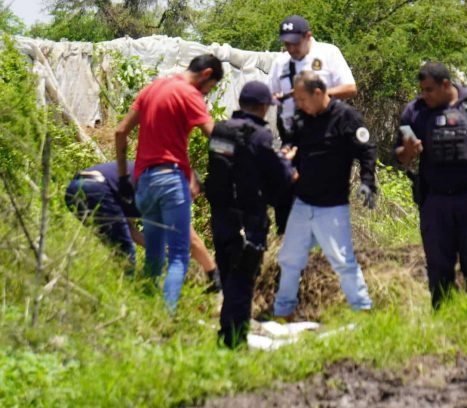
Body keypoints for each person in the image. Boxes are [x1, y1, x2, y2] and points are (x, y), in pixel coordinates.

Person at [114, 54, 222, 312]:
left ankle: (146, 313)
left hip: (144, 182)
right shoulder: (189, 94)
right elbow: (215, 137)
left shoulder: (152, 88)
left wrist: (122, 178)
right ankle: (166, 315)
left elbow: (120, 132)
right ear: (206, 74)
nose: (206, 95)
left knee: (153, 254)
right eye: (211, 88)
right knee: (178, 256)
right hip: (170, 180)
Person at [394, 62, 467, 309]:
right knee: (438, 264)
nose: (425, 95)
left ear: (446, 85)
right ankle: (443, 318)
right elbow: (399, 155)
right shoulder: (415, 112)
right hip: (435, 200)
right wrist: (408, 151)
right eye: (422, 90)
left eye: (429, 90)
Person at [272, 71, 375, 319]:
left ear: (318, 93)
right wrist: (287, 155)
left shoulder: (346, 117)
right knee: (289, 258)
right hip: (303, 202)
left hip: (332, 205)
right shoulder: (302, 118)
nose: (298, 104)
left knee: (342, 260)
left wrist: (368, 182)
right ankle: (283, 310)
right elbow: (291, 144)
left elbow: (367, 150)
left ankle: (362, 310)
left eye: (302, 99)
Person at [206, 80, 295, 348]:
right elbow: (277, 174)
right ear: (262, 106)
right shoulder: (259, 135)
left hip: (221, 217)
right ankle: (235, 341)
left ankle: (226, 333)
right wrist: (287, 164)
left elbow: (231, 165)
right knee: (242, 281)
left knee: (228, 275)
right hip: (248, 220)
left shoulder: (220, 130)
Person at [65, 161, 222, 290]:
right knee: (125, 254)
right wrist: (213, 272)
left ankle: (110, 289)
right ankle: (128, 296)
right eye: (192, 193)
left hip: (75, 191)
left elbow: (129, 230)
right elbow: (191, 240)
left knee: (118, 248)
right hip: (96, 188)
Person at [267, 15, 357, 235]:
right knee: (285, 193)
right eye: (286, 43)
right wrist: (277, 98)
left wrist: (317, 95)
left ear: (308, 36)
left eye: (295, 43)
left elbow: (350, 88)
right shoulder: (280, 63)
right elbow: (269, 96)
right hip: (291, 137)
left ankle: (323, 253)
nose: (290, 48)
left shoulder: (328, 54)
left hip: (323, 136)